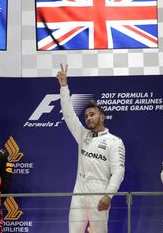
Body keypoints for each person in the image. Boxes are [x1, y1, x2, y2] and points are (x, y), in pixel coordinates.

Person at [57, 64, 125, 233]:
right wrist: (64, 87)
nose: (88, 118)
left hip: (99, 192)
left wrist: (108, 195)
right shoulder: (83, 135)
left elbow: (118, 172)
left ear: (102, 117)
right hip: (79, 191)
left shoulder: (114, 141)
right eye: (86, 116)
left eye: (92, 114)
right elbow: (68, 115)